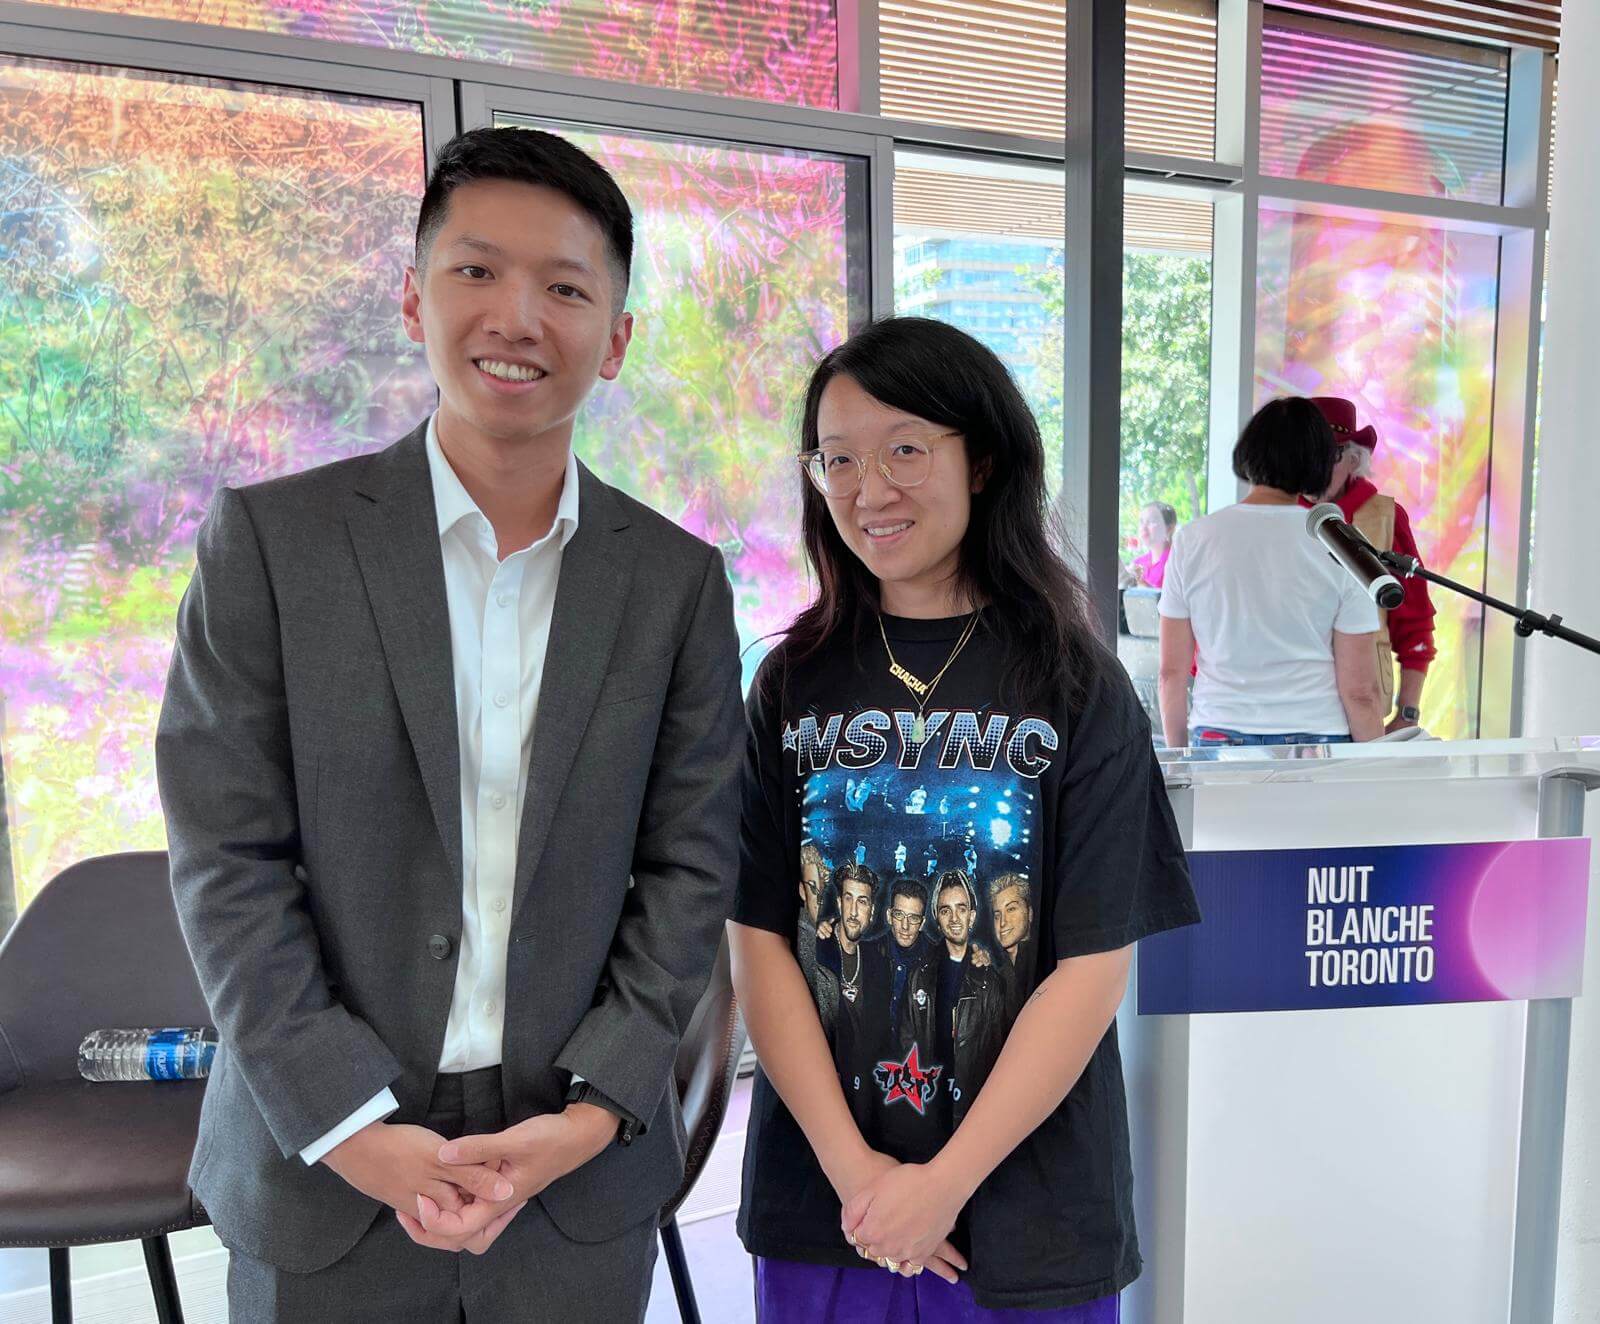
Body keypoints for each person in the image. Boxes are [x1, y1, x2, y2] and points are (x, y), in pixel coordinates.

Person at [155, 127, 744, 1323]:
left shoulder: (675, 582)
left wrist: (587, 1117)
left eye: (566, 288)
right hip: (325, 1171)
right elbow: (226, 861)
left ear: (616, 340)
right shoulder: (274, 546)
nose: (517, 316)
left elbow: (691, 866)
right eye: (476, 271)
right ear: (411, 298)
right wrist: (353, 1127)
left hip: (572, 1179)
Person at [730, 315, 1200, 1320]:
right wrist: (861, 1175)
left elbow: (1089, 965)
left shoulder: (1079, 684)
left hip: (1030, 1207)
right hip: (825, 1200)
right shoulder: (790, 682)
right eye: (837, 459)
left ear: (981, 459)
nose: (868, 488)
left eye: (905, 448)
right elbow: (760, 938)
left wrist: (942, 1182)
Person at [1156, 397, 1387, 749]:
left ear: (1249, 451)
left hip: (1219, 732)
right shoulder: (1342, 547)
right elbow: (1361, 692)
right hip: (1316, 737)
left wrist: (1178, 762)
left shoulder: (1193, 540)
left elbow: (1171, 673)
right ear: (1319, 461)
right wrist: (1376, 773)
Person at [1302, 397, 1437, 732]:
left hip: (1364, 715)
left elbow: (1415, 625)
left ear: (1353, 458)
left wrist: (1407, 713)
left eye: (1329, 453)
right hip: (1291, 707)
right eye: (1307, 452)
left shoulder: (1387, 518)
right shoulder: (1278, 516)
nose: (1316, 465)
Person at [1118, 501, 1177, 589]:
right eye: (1141, 522)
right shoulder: (1138, 563)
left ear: (1169, 528)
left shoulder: (1176, 561)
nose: (1143, 527)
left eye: (1151, 521)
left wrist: (1137, 582)